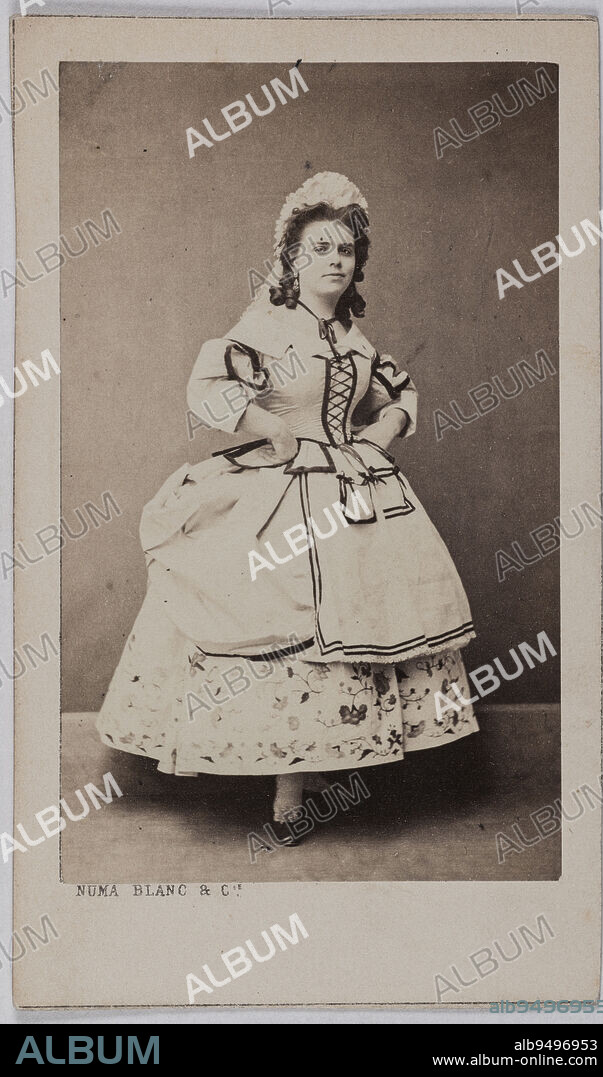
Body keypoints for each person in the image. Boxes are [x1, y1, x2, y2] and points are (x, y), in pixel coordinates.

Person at [97, 171, 478, 843]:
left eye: (347, 251)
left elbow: (399, 391)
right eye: (321, 248)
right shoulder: (266, 326)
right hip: (281, 491)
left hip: (353, 486)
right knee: (283, 613)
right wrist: (273, 430)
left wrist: (381, 432)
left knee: (361, 619)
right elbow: (208, 383)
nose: (336, 260)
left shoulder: (355, 340)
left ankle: (325, 760)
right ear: (292, 259)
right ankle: (287, 795)